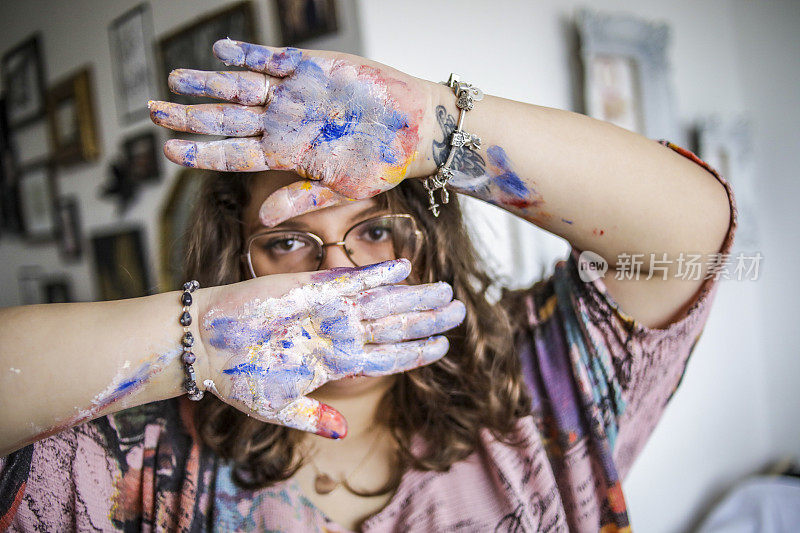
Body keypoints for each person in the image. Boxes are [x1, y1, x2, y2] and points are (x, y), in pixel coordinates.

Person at [0, 39, 737, 532]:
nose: (340, 275)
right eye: (288, 241)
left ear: (431, 246)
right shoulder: (146, 466)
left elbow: (689, 240)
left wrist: (439, 129)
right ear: (231, 263)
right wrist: (190, 336)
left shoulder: (535, 391)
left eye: (377, 231)